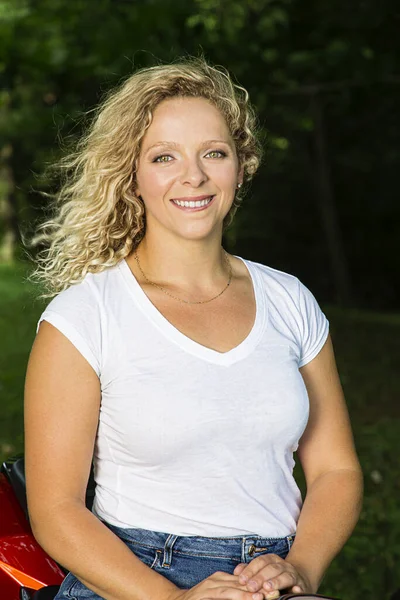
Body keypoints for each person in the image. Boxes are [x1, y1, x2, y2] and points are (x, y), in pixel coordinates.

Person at [24, 56, 363, 600]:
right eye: (165, 157)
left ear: (240, 164)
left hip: (272, 578)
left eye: (214, 153)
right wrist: (177, 599)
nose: (195, 176)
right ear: (131, 174)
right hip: (131, 579)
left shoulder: (289, 299)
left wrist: (300, 567)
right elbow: (57, 511)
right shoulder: (84, 318)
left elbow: (336, 470)